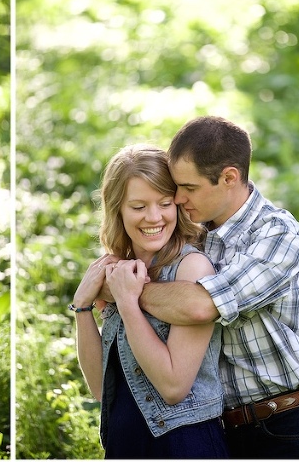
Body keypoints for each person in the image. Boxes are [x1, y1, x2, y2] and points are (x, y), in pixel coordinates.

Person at [136, 116, 299, 458]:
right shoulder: (197, 237)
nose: (178, 198)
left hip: (285, 426)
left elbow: (201, 306)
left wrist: (125, 291)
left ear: (229, 177)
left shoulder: (276, 233)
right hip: (216, 428)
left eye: (190, 187)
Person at [71, 144, 228, 458]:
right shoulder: (118, 272)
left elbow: (173, 387)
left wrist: (128, 302)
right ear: (118, 209)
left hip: (182, 444)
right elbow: (101, 390)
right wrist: (82, 306)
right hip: (124, 441)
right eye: (138, 206)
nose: (154, 217)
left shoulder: (191, 268)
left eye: (164, 203)